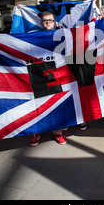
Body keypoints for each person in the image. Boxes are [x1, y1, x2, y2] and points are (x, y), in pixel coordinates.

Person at [29, 11, 69, 146]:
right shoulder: (33, 35)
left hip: (58, 74)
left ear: (55, 22)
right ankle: (37, 132)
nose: (47, 23)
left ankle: (58, 133)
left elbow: (82, 37)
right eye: (45, 20)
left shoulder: (63, 35)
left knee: (57, 104)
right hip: (38, 74)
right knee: (38, 105)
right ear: (41, 23)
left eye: (50, 20)